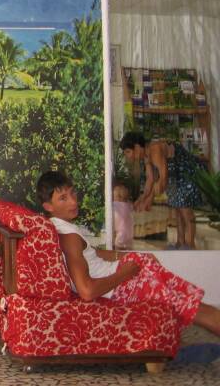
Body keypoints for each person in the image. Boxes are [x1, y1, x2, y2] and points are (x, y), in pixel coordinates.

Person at [36, 170, 220, 336]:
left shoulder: (62, 227)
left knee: (188, 302)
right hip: (123, 285)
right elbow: (87, 291)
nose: (73, 201)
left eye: (73, 193)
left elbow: (91, 253)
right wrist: (126, 272)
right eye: (63, 198)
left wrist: (128, 257)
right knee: (197, 310)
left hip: (122, 275)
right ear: (48, 206)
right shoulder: (68, 237)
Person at [119, 131, 203, 249]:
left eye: (128, 151)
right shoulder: (146, 156)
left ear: (137, 147)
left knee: (185, 210)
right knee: (178, 208)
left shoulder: (155, 149)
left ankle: (190, 246)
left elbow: (162, 179)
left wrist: (150, 199)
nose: (127, 156)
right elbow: (150, 180)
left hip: (187, 170)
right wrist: (142, 199)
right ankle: (180, 243)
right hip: (176, 173)